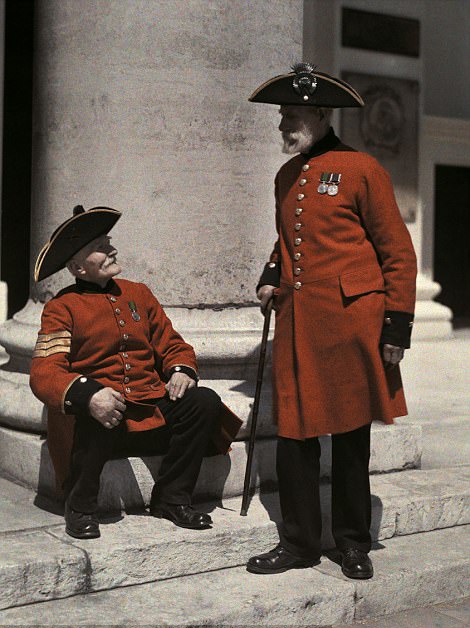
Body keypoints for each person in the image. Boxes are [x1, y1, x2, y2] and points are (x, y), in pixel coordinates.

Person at [245, 63, 417, 579]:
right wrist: (269, 275)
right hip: (299, 323)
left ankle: (352, 543)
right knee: (295, 437)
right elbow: (288, 241)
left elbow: (398, 253)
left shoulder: (362, 169)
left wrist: (396, 327)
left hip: (351, 324)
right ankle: (298, 544)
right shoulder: (285, 175)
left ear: (320, 114)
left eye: (290, 115)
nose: (282, 124)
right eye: (281, 115)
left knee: (349, 438)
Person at [30, 205, 241, 539]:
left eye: (109, 241)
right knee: (97, 407)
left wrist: (180, 369)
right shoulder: (60, 308)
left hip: (149, 413)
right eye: (100, 246)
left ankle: (171, 499)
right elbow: (44, 372)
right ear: (77, 267)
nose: (112, 249)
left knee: (203, 401)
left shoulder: (138, 294)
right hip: (100, 428)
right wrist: (89, 395)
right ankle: (81, 507)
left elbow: (172, 344)